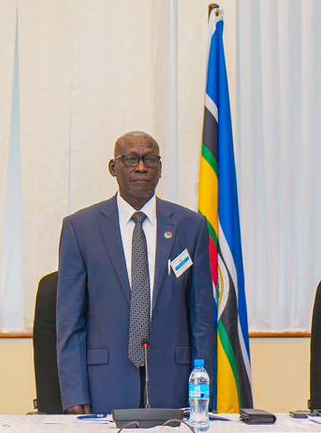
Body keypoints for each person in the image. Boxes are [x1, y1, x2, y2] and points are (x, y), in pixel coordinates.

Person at [57, 131, 216, 415]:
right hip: (104, 385)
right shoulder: (80, 229)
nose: (141, 167)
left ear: (160, 169)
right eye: (131, 159)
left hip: (175, 386)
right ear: (113, 167)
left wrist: (202, 393)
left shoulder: (191, 226)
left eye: (150, 160)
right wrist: (74, 393)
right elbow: (70, 323)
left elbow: (201, 319)